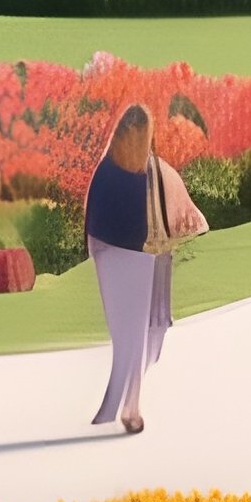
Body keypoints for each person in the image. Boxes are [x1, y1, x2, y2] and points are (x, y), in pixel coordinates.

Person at [85, 105, 186, 435]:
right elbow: (175, 216)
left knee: (125, 339)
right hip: (141, 258)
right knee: (138, 337)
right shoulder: (154, 172)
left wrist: (94, 253)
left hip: (112, 257)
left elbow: (92, 225)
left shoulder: (105, 172)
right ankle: (129, 407)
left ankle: (119, 407)